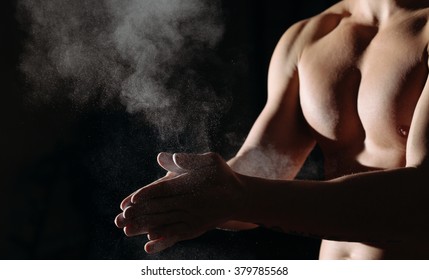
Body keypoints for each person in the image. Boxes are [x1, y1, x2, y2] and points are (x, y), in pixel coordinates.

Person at [115, 0, 429, 259]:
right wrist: (194, 193)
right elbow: (263, 167)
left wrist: (237, 196)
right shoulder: (310, 35)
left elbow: (419, 202)